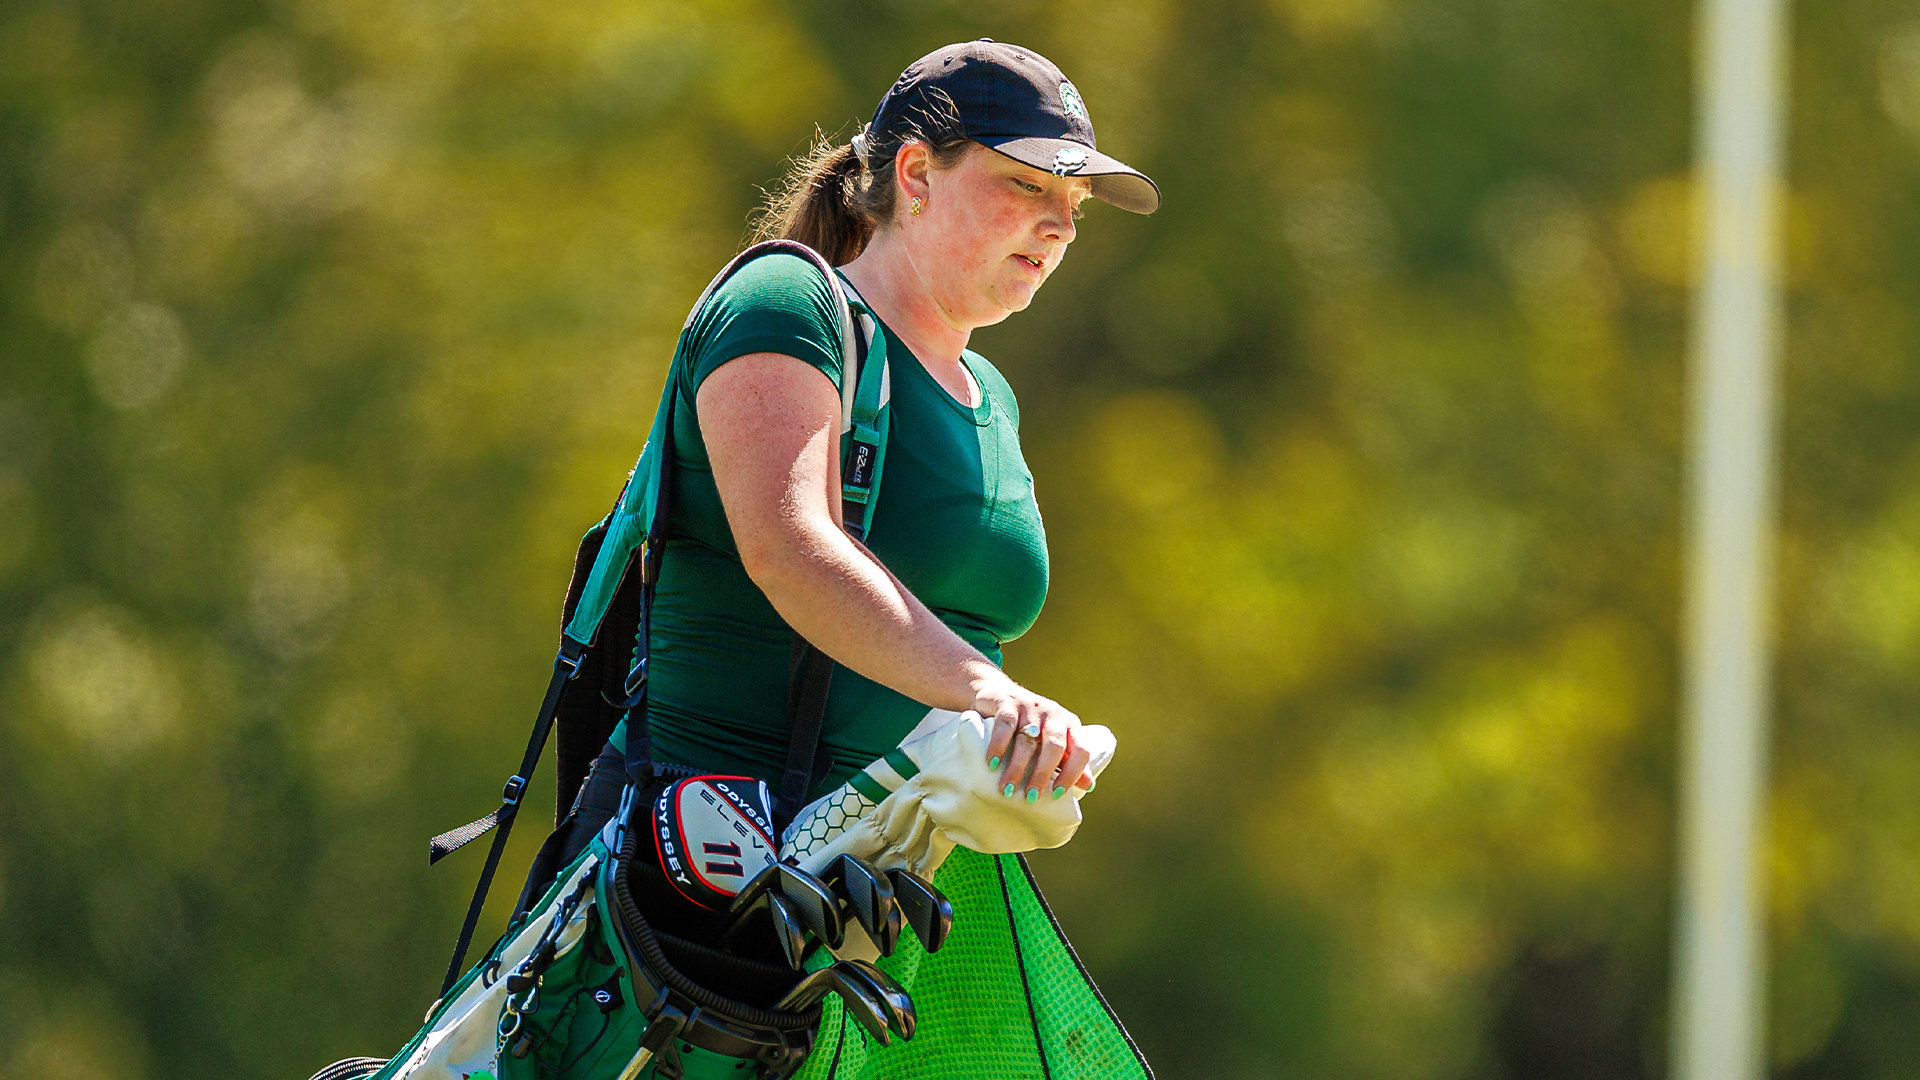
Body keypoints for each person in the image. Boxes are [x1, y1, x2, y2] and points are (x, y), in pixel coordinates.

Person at [598, 37, 1158, 837]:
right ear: (917, 174)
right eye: (1029, 185)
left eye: (1075, 207)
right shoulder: (787, 301)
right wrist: (988, 693)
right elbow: (789, 550)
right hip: (704, 876)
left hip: (879, 876)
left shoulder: (991, 394)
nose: (1058, 226)